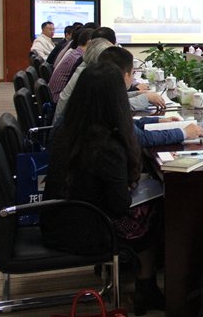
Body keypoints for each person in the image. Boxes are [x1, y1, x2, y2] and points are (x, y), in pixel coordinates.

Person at [41, 62, 165, 315]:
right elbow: (119, 205)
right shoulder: (106, 143)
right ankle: (146, 286)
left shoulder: (68, 126)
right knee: (155, 210)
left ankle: (140, 276)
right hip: (85, 227)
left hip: (57, 216)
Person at [97, 46, 203, 147]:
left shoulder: (102, 93)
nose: (133, 78)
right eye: (133, 73)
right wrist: (184, 133)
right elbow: (141, 138)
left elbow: (129, 124)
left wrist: (158, 121)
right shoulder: (113, 103)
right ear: (126, 76)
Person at [49, 27, 94, 102]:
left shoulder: (75, 53)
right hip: (58, 101)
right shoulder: (79, 59)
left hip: (56, 98)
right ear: (89, 42)